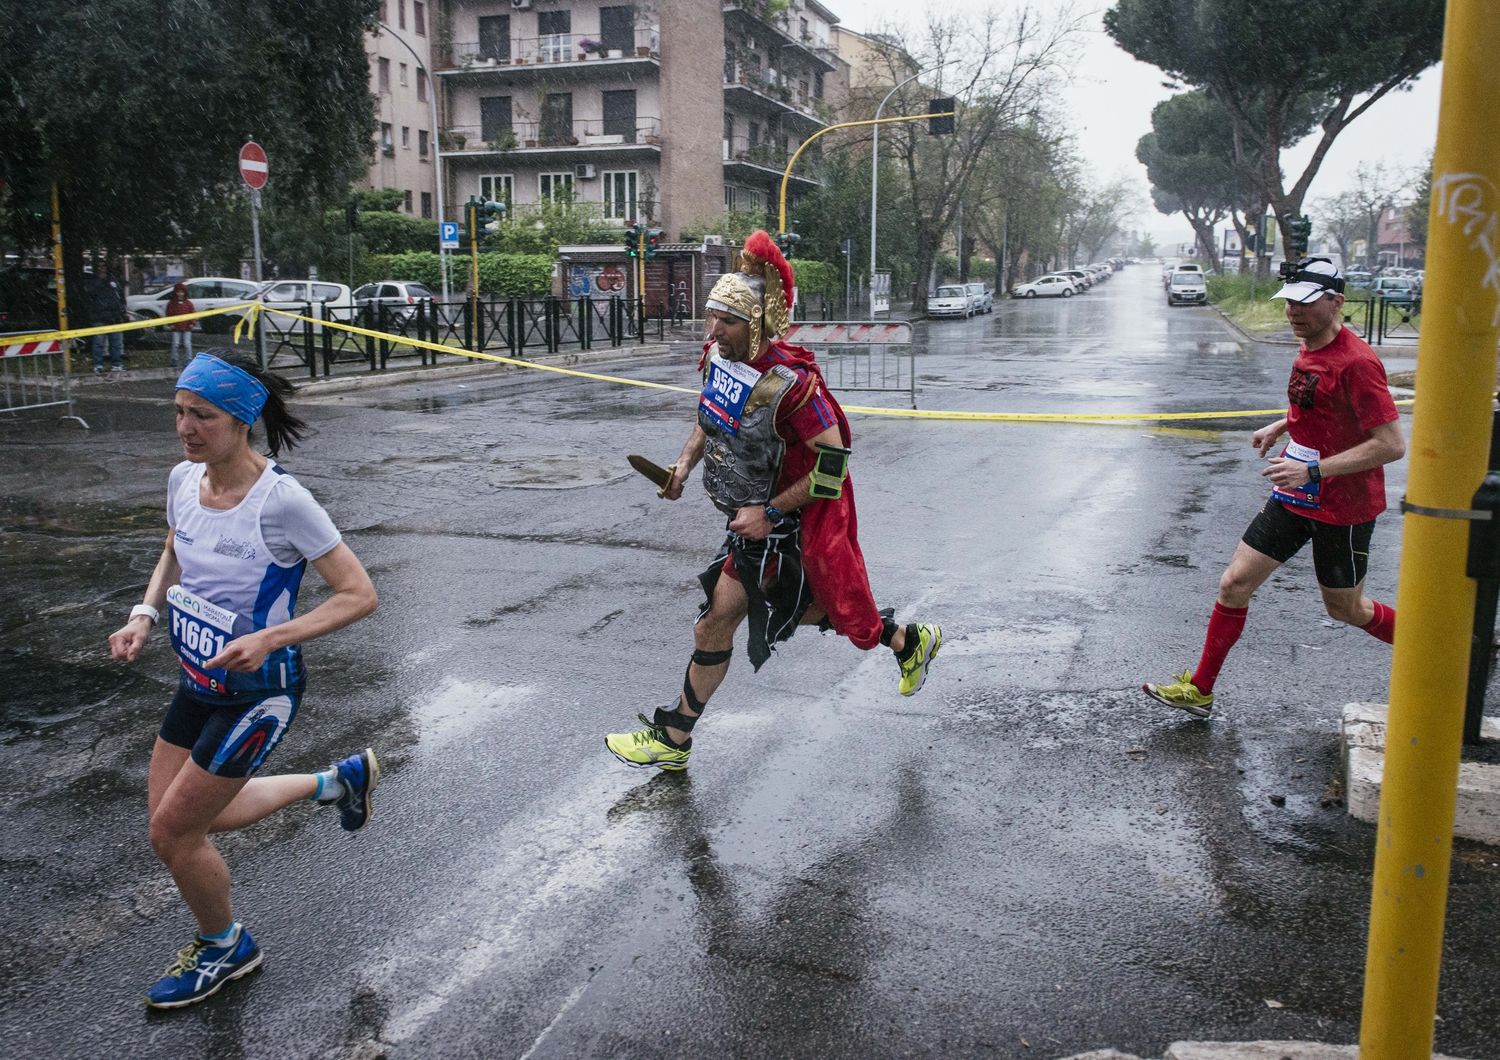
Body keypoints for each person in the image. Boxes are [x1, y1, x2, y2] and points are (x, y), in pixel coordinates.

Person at [605, 230, 942, 771]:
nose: (713, 330)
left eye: (727, 320)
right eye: (711, 316)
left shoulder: (794, 386)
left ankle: (673, 738)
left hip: (785, 520)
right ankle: (905, 641)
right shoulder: (723, 357)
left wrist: (771, 512)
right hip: (751, 520)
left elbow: (833, 465)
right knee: (755, 615)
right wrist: (682, 468)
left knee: (725, 620)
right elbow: (710, 419)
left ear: (757, 324)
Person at [106, 350, 381, 1008]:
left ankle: (227, 947)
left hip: (261, 695)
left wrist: (269, 637)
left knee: (175, 833)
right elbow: (176, 547)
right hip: (197, 682)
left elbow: (358, 594)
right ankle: (335, 782)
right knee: (179, 822)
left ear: (241, 422)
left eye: (202, 415)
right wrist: (145, 612)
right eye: (179, 411)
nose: (185, 427)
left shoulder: (283, 501)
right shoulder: (183, 479)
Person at [1142, 258, 1405, 718]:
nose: (1292, 312)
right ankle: (1200, 689)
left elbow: (1389, 445)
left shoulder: (1359, 363)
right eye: (1288, 302)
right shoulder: (1306, 348)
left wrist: (1315, 470)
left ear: (1335, 302)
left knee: (1348, 609)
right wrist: (1282, 426)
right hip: (1296, 495)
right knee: (1234, 583)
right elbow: (1318, 405)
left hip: (1344, 506)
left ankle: (1435, 654)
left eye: (1304, 303)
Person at [84, 269, 128, 373]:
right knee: (99, 343)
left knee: (115, 343)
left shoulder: (113, 283)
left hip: (113, 317)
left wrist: (121, 311)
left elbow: (120, 298)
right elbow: (90, 296)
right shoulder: (94, 283)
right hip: (100, 318)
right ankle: (99, 365)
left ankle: (116, 364)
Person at [164, 282, 195, 368]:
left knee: (187, 344)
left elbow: (193, 314)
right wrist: (171, 324)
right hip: (175, 328)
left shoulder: (189, 303)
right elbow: (169, 314)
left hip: (187, 327)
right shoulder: (171, 303)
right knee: (175, 344)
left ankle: (189, 360)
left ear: (185, 293)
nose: (180, 294)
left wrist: (192, 323)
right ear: (175, 292)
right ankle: (174, 361)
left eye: (182, 292)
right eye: (178, 292)